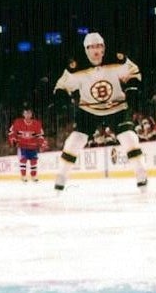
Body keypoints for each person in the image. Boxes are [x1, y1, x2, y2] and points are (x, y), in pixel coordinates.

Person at [52, 33, 147, 191]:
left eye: (99, 46)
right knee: (75, 140)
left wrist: (132, 87)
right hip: (89, 109)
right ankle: (61, 176)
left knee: (129, 137)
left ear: (104, 48)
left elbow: (133, 72)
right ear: (86, 49)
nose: (96, 50)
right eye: (92, 47)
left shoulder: (117, 60)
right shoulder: (76, 67)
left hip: (117, 106)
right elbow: (61, 86)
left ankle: (141, 173)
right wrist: (61, 97)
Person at [6, 106, 46, 183]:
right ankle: (23, 176)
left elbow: (40, 135)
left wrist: (41, 143)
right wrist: (13, 139)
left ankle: (33, 176)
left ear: (31, 114)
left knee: (34, 161)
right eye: (26, 113)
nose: (27, 115)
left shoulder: (36, 123)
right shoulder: (18, 122)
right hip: (22, 146)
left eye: (29, 113)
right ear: (23, 114)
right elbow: (11, 132)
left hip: (33, 146)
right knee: (23, 160)